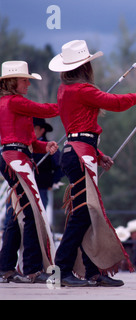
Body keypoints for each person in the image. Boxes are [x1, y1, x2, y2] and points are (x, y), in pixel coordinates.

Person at [48, 39, 136, 287]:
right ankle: (62, 269)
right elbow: (117, 103)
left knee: (86, 214)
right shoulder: (82, 90)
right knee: (83, 214)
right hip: (81, 154)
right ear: (85, 67)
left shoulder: (65, 90)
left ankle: (92, 270)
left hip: (79, 151)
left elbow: (78, 130)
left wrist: (98, 152)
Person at [0, 60, 59, 283]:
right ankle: (33, 268)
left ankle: (6, 267)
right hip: (17, 160)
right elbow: (43, 110)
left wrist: (46, 146)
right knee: (32, 213)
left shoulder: (13, 103)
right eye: (25, 80)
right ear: (13, 82)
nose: (28, 84)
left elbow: (30, 142)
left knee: (18, 215)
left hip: (16, 157)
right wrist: (69, 103)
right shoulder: (14, 102)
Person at [32, 117, 64, 210]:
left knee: (39, 216)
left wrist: (52, 182)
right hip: (23, 187)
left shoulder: (50, 147)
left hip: (41, 188)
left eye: (34, 128)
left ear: (42, 130)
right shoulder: (24, 145)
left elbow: (60, 165)